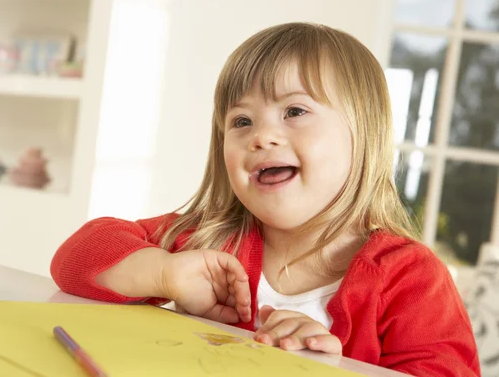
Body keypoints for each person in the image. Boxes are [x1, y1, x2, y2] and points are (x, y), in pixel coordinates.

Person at [51, 23, 480, 376]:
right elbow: (74, 260)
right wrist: (165, 273)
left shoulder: (411, 279)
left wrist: (333, 368)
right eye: (241, 121)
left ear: (363, 134)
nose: (261, 136)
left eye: (294, 111)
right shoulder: (209, 240)